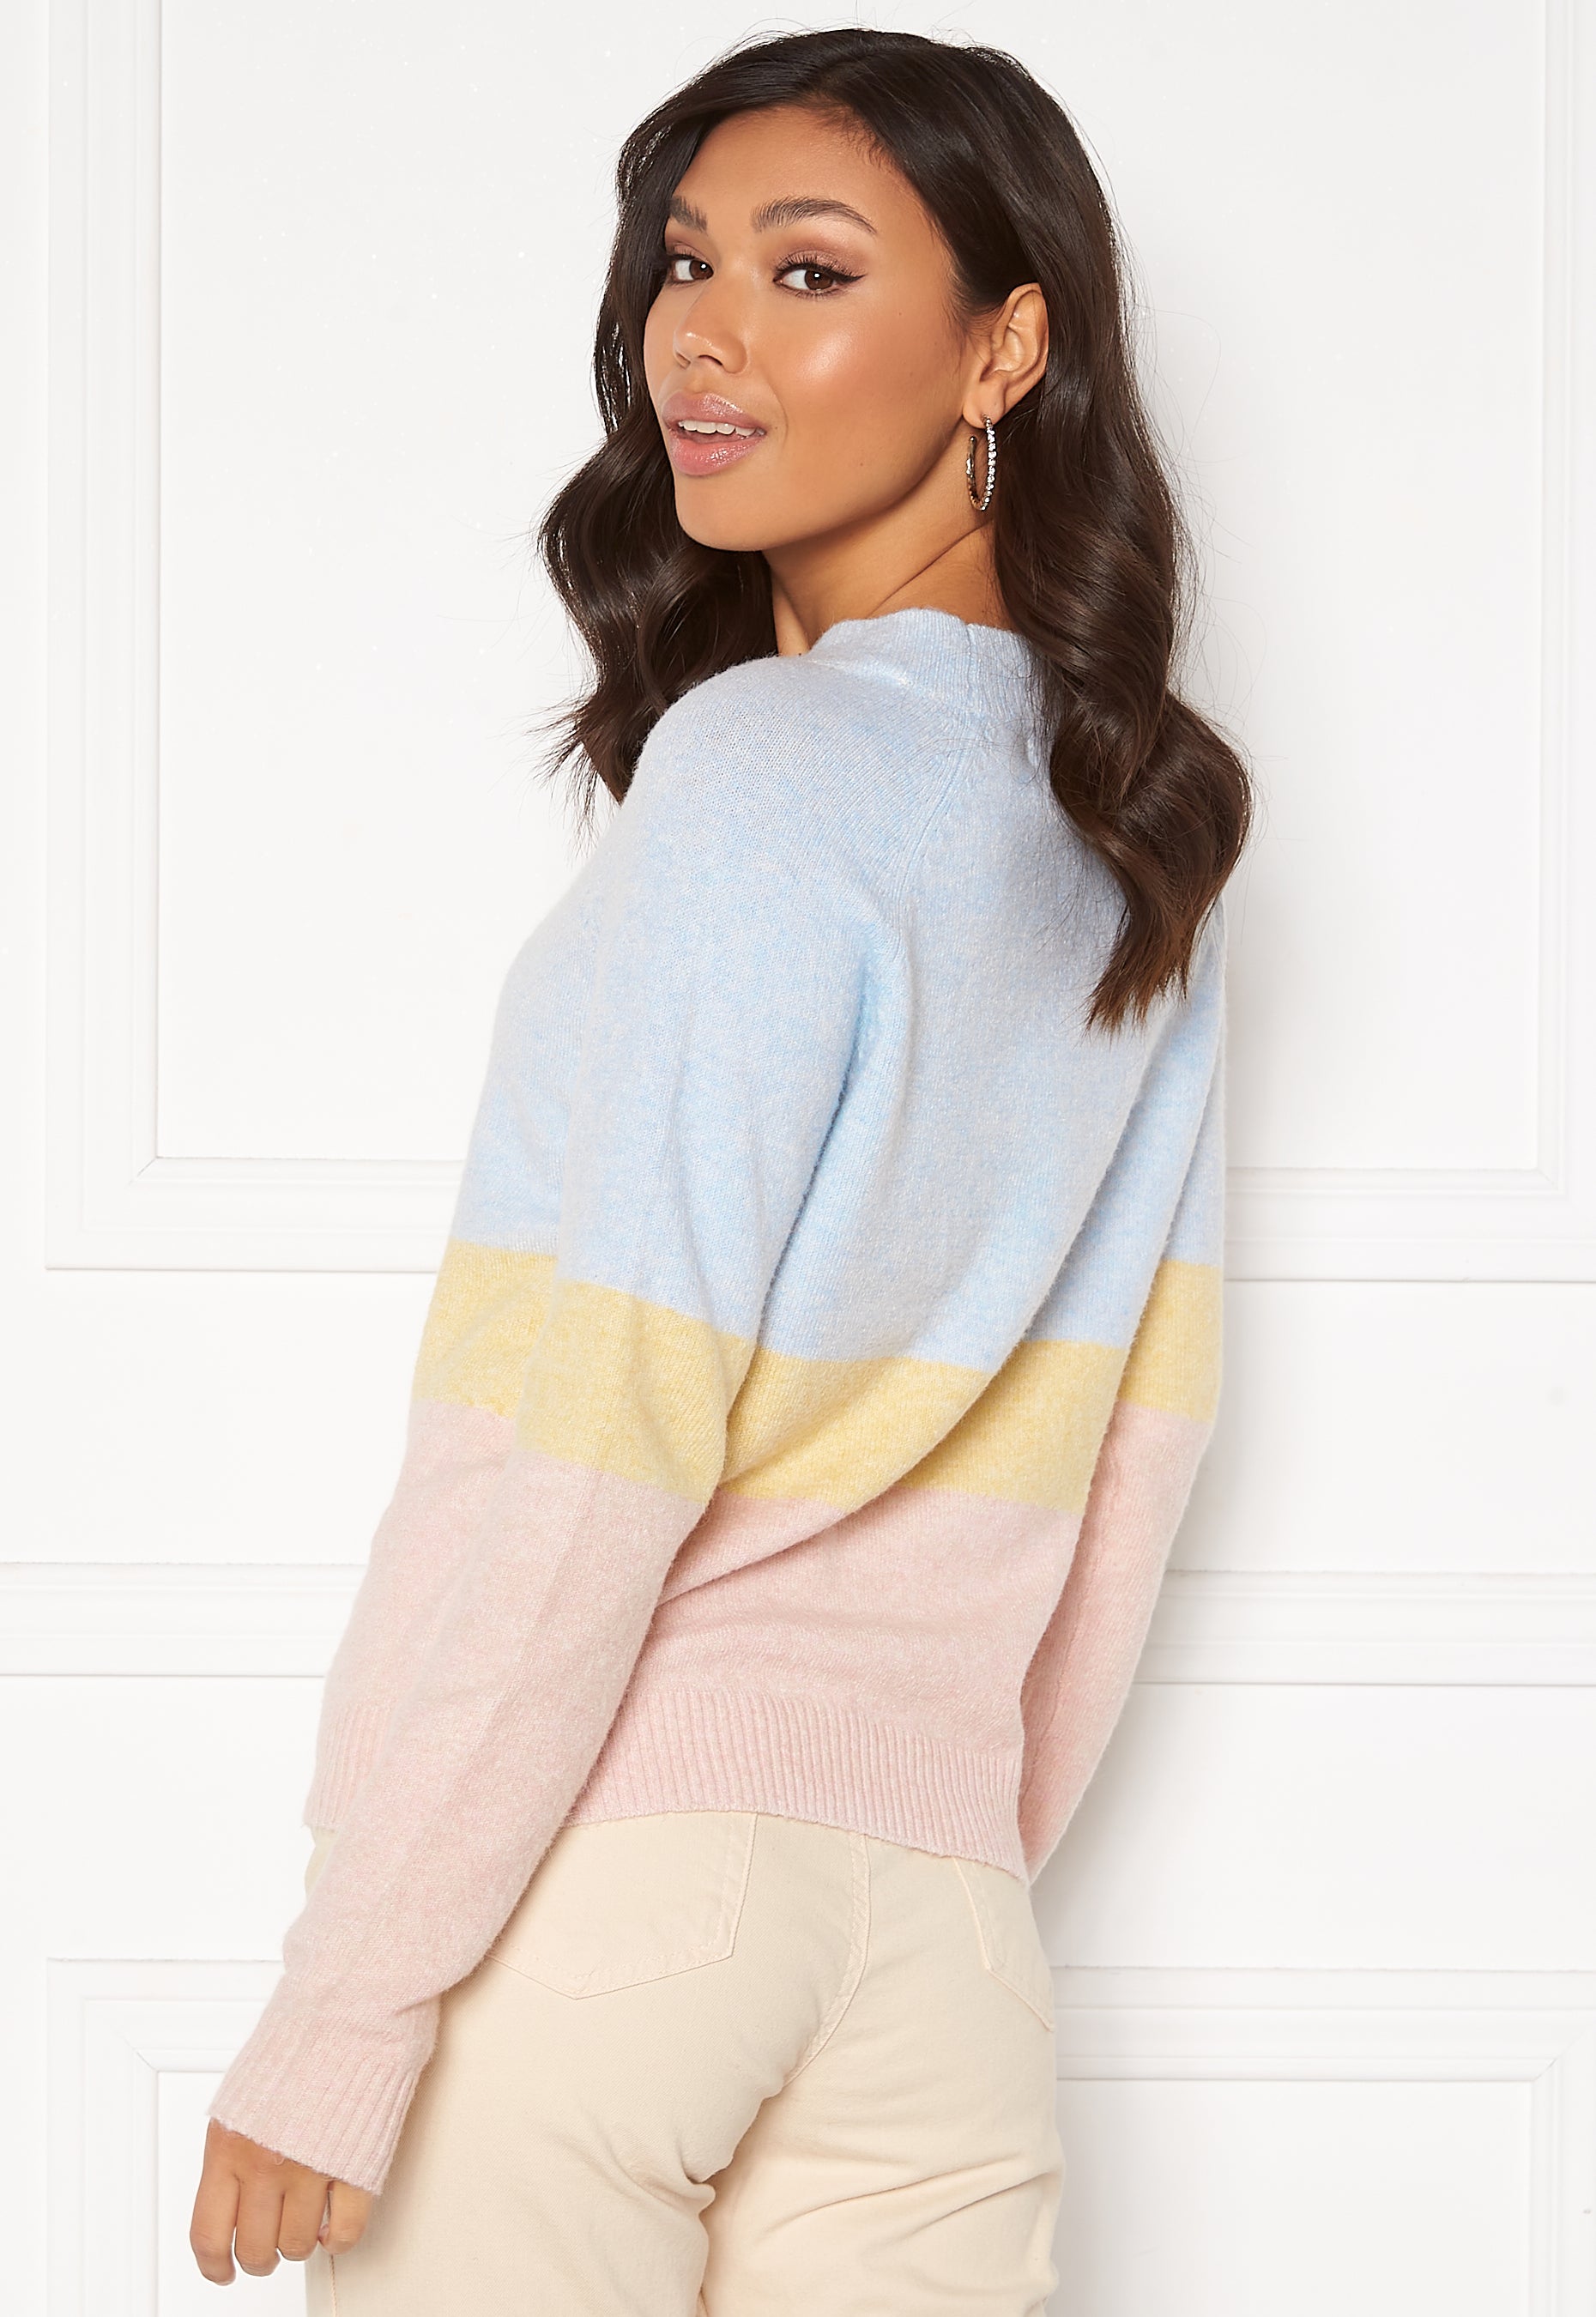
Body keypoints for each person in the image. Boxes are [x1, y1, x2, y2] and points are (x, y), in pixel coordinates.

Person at [189, 25, 1251, 2311]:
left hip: (611, 1891)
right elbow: (1131, 1475)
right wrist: (943, 1858)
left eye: (809, 269)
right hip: (943, 1953)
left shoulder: (757, 779)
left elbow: (588, 1445)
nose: (707, 332)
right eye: (685, 262)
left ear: (1007, 346)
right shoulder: (1133, 845)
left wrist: (352, 1992)